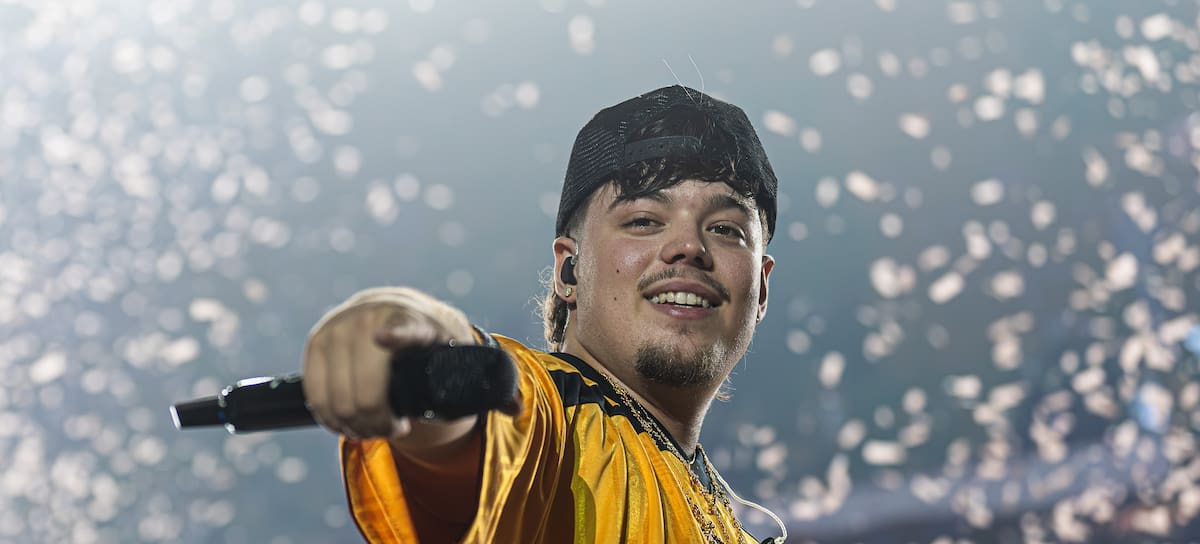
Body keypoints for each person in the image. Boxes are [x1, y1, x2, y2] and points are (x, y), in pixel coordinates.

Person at [302, 85, 786, 543]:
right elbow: (477, 427)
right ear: (568, 270)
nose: (688, 247)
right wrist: (418, 346)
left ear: (761, 288)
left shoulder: (729, 519)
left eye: (725, 229)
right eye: (642, 221)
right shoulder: (547, 415)